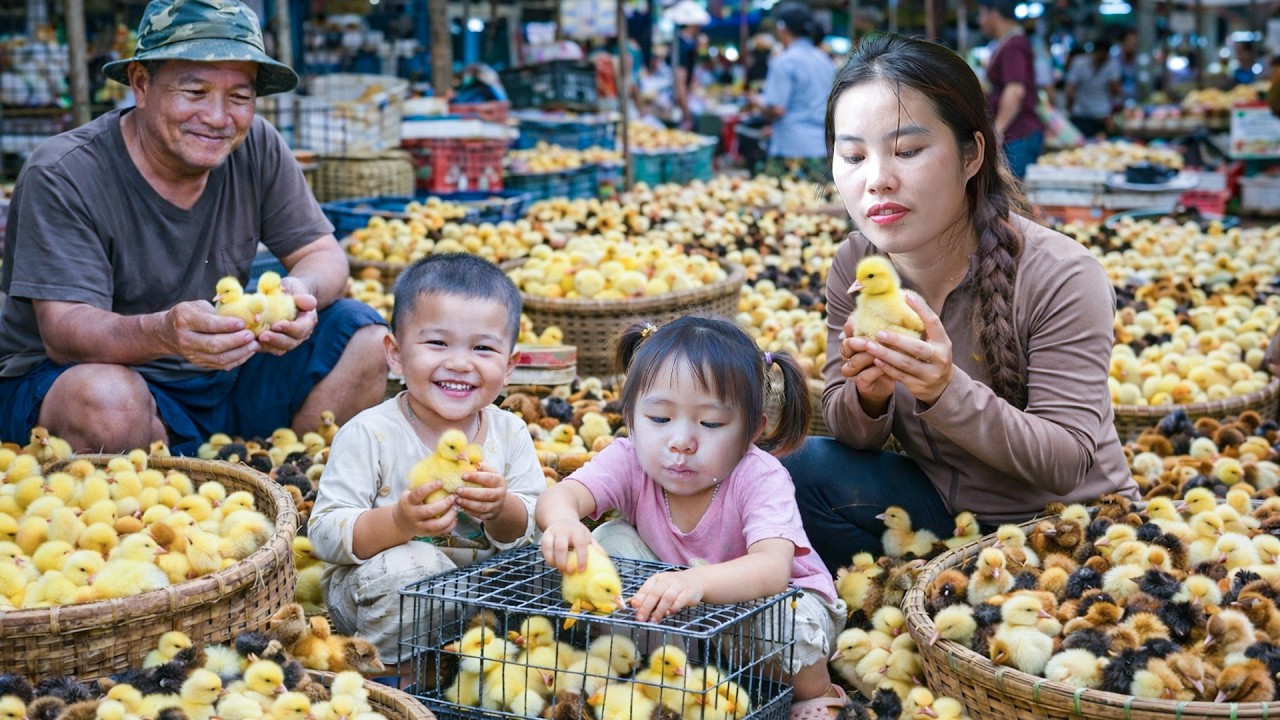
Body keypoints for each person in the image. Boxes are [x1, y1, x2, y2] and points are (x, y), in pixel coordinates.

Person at [782, 34, 1139, 575]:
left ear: (972, 154)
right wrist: (869, 396)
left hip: (1065, 530)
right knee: (794, 468)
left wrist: (944, 390)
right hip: (947, 516)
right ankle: (899, 606)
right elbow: (851, 433)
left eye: (907, 151)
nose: (877, 179)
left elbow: (1066, 464)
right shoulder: (858, 264)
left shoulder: (1061, 273)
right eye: (853, 156)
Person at [0, 0, 388, 455]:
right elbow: (65, 333)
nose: (219, 117)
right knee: (106, 400)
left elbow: (324, 254)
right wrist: (164, 333)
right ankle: (159, 505)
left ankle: (289, 482)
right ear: (141, 84)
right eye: (195, 92)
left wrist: (297, 292)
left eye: (240, 97)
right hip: (92, 379)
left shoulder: (257, 145)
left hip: (222, 372)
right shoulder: (65, 172)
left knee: (365, 339)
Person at [536, 316, 849, 720]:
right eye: (660, 419)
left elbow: (773, 569)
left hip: (772, 606)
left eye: (711, 423)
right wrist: (563, 521)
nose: (681, 441)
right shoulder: (629, 458)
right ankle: (677, 674)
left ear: (753, 430)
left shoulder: (759, 476)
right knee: (609, 540)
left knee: (781, 623)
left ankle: (817, 692)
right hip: (684, 612)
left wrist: (696, 580)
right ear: (630, 416)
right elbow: (560, 495)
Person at [309, 253, 545, 674]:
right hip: (380, 599)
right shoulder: (370, 434)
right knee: (413, 564)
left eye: (483, 348)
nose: (459, 362)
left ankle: (479, 662)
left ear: (509, 366)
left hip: (477, 598)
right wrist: (399, 522)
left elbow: (530, 524)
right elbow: (326, 532)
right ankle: (398, 678)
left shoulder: (510, 433)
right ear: (396, 355)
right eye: (437, 343)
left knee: (561, 556)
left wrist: (500, 508)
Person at [759, 2, 835, 183]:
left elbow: (777, 109)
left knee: (786, 206)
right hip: (821, 148)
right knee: (818, 207)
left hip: (790, 149)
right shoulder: (824, 60)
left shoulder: (784, 61)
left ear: (782, 28)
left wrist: (759, 105)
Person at [977, 0, 1043, 178]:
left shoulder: (1014, 44)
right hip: (1017, 135)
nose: (980, 21)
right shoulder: (1008, 43)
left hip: (1018, 135)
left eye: (982, 14)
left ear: (994, 14)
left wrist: (997, 132)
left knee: (1014, 197)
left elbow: (1015, 91)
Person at [1065, 39, 1121, 139]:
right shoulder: (1079, 63)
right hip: (1081, 114)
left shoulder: (1111, 65)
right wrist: (1070, 109)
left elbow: (1116, 92)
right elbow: (1070, 90)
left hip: (1102, 116)